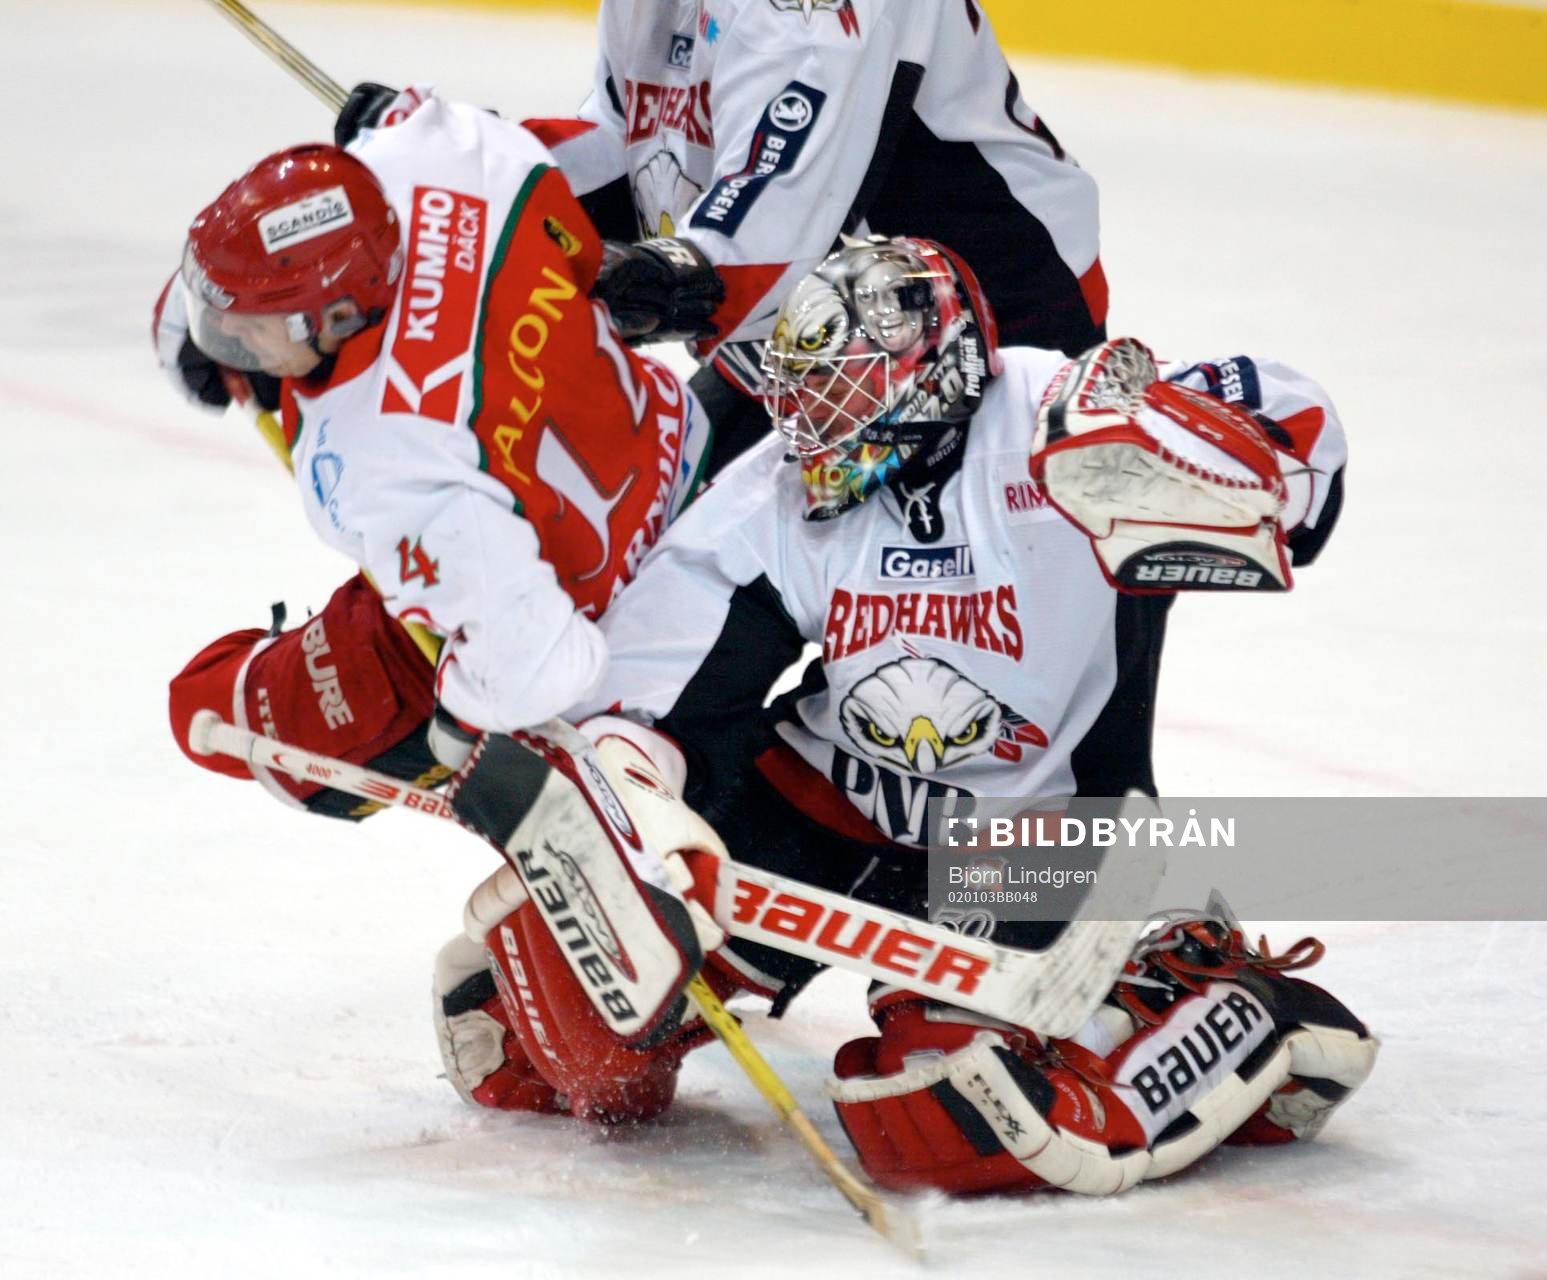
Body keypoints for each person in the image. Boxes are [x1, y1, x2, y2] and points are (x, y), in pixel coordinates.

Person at [439, 235, 1376, 1195]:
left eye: (840, 401)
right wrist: (637, 815)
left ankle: (1227, 998)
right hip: (823, 812)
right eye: (801, 401)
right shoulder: (779, 487)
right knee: (532, 1040)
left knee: (952, 1118)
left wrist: (1170, 429)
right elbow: (647, 693)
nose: (813, 436)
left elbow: (1305, 452)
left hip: (1031, 840)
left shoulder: (1064, 427)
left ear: (934, 377)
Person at [339, 0, 1109, 472]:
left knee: (969, 687)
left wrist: (663, 277)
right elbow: (635, 153)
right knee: (638, 554)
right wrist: (457, 168)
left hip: (988, 341)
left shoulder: (814, 10)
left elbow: (770, 232)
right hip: (807, 343)